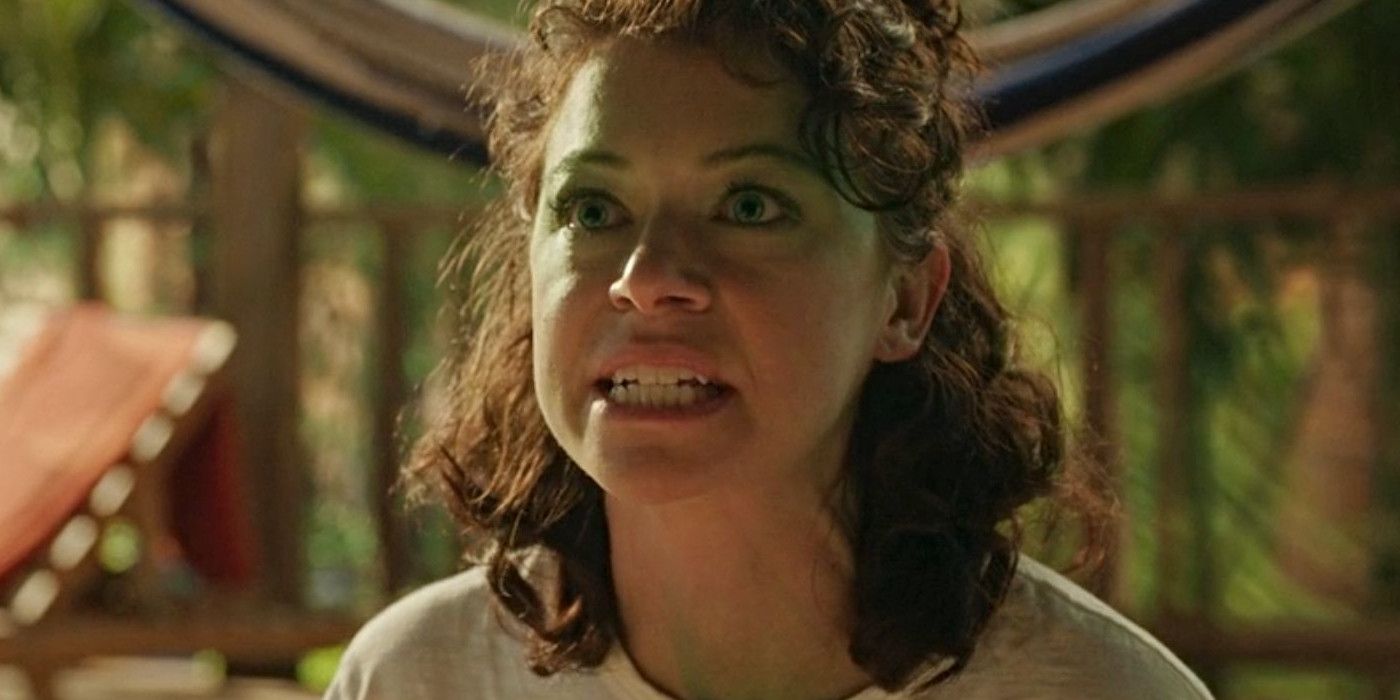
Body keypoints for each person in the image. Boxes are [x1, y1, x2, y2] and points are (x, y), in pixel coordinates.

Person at [326, 1, 1214, 698]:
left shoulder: (1095, 690)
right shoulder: (415, 680)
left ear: (906, 300)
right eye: (593, 209)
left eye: (750, 206)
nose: (647, 277)